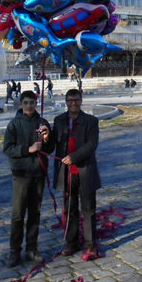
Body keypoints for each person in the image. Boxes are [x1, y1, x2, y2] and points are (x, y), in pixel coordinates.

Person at [48, 88, 101, 259]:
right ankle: (72, 242)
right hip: (66, 173)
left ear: (81, 101)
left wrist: (74, 157)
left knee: (88, 210)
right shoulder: (59, 121)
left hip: (84, 170)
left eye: (76, 100)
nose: (73, 103)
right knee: (69, 209)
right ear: (66, 101)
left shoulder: (91, 121)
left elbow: (92, 144)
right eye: (70, 100)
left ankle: (90, 244)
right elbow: (52, 146)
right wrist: (44, 137)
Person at [3, 91, 51, 268]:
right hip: (21, 175)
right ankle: (14, 251)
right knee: (18, 215)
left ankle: (32, 248)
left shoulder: (42, 123)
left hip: (38, 174)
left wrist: (46, 138)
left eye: (32, 102)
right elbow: (7, 148)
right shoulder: (14, 124)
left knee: (34, 213)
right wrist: (27, 150)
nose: (29, 106)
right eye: (26, 102)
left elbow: (50, 148)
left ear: (36, 103)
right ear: (21, 104)